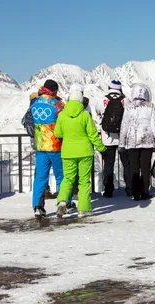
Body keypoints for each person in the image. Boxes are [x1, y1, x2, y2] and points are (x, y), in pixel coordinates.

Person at [55, 86, 107, 218]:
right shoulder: (85, 115)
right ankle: (83, 209)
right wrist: (102, 149)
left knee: (67, 179)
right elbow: (93, 135)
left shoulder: (62, 116)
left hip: (67, 152)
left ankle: (62, 202)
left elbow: (57, 133)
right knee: (84, 181)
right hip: (85, 152)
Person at [28, 79, 65, 218]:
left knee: (40, 177)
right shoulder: (58, 104)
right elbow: (64, 122)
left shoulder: (35, 103)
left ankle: (38, 206)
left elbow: (25, 120)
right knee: (61, 176)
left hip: (40, 146)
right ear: (55, 90)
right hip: (56, 146)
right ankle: (63, 203)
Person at [119, 84, 155, 201]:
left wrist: (121, 144)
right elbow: (154, 125)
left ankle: (135, 193)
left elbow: (124, 126)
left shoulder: (128, 107)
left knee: (134, 167)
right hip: (147, 141)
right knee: (145, 167)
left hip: (132, 141)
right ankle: (145, 192)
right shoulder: (150, 107)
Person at [96, 80, 131, 197]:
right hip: (123, 137)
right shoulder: (125, 100)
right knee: (126, 163)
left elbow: (99, 113)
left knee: (108, 164)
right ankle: (129, 188)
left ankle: (108, 190)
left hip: (107, 138)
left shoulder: (102, 100)